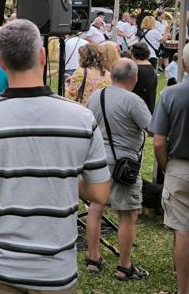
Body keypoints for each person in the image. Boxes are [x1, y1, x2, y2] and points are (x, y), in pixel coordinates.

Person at [0, 19, 111, 293]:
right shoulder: (81, 120)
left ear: (1, 62)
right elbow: (99, 194)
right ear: (42, 56)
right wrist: (61, 176)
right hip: (55, 269)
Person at [85, 58, 151, 280]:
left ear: (111, 75)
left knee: (95, 208)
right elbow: (150, 128)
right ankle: (124, 266)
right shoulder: (133, 101)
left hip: (98, 161)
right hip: (124, 165)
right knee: (128, 214)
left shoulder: (96, 96)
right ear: (134, 77)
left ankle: (93, 259)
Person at [151, 43, 189, 294]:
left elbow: (158, 142)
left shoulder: (171, 94)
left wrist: (167, 167)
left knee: (183, 231)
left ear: (183, 63)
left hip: (180, 168)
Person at [131, 42, 158, 113]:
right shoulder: (152, 69)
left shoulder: (134, 70)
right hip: (150, 109)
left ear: (133, 54)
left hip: (136, 110)